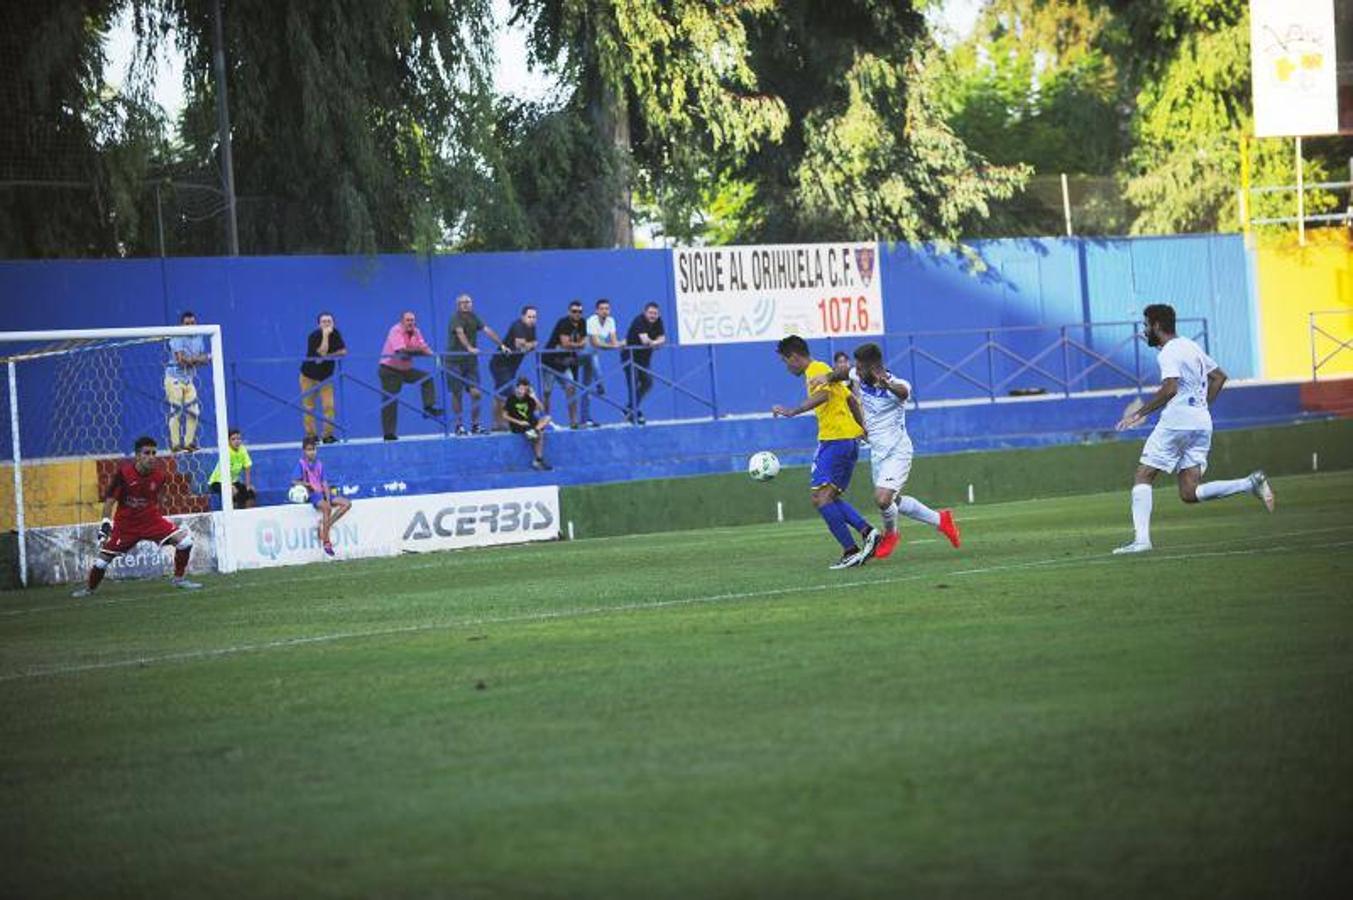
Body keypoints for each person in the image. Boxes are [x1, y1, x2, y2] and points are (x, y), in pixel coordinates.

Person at [1112, 303, 1275, 554]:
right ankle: (1249, 483)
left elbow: (1170, 389)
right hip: (1201, 423)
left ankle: (1142, 541)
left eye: (1146, 325)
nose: (1144, 330)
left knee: (1144, 475)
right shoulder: (1191, 346)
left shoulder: (1167, 352)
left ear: (1156, 325)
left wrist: (1139, 413)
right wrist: (1201, 406)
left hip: (1177, 422)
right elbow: (1219, 377)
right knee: (1189, 492)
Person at [809, 342, 960, 559]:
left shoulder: (894, 384)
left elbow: (904, 392)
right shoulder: (859, 375)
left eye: (861, 367)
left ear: (873, 368)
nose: (856, 371)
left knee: (882, 499)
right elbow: (845, 373)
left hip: (898, 451)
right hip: (878, 452)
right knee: (892, 501)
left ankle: (891, 535)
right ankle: (941, 520)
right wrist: (828, 377)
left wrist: (887, 385)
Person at [771, 334, 881, 569]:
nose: (786, 367)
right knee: (826, 498)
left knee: (820, 498)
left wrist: (793, 411)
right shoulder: (824, 369)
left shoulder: (814, 370)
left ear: (794, 357)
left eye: (785, 361)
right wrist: (862, 428)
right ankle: (868, 533)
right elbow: (850, 399)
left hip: (836, 440)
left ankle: (851, 550)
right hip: (844, 439)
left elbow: (824, 395)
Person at [71, 436, 202, 597]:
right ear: (138, 456)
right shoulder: (124, 474)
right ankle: (89, 589)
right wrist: (106, 523)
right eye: (147, 453)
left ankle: (179, 579)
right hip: (126, 525)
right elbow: (110, 501)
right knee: (102, 561)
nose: (151, 457)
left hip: (151, 521)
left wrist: (183, 449)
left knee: (185, 542)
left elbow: (154, 496)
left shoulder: (159, 476)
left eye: (154, 453)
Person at [445, 293, 507, 436]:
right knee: (457, 393)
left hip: (470, 363)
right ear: (458, 305)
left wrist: (502, 345)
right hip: (454, 362)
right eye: (463, 302)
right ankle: (459, 425)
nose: (466, 304)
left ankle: (475, 425)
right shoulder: (455, 318)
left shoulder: (474, 317)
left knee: (476, 394)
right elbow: (460, 334)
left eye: (469, 302)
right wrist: (469, 348)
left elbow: (487, 330)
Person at [378, 310, 443, 441]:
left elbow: (424, 347)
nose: (410, 323)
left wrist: (435, 356)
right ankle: (389, 433)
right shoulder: (395, 330)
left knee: (426, 378)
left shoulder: (416, 331)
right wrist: (420, 351)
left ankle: (428, 407)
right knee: (390, 400)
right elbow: (401, 351)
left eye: (412, 320)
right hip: (389, 369)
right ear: (402, 321)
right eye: (408, 320)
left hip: (405, 370)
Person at [293, 436, 352, 557]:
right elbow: (294, 481)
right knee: (327, 508)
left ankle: (326, 524)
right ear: (304, 451)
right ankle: (326, 541)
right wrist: (307, 484)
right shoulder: (301, 464)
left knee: (347, 504)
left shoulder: (319, 464)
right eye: (309, 449)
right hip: (313, 494)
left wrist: (327, 496)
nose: (311, 452)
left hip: (322, 492)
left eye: (313, 449)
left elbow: (324, 482)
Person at [165, 310, 210, 452]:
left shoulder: (199, 336)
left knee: (194, 411)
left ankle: (189, 442)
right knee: (176, 411)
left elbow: (204, 359)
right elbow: (181, 360)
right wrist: (197, 360)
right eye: (187, 324)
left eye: (192, 323)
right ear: (181, 325)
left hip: (188, 379)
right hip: (174, 378)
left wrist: (193, 360)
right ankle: (175, 444)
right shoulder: (177, 336)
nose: (190, 326)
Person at [299, 311, 347, 443]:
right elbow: (321, 352)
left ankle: (327, 435)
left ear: (333, 323)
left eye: (329, 321)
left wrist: (327, 357)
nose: (327, 324)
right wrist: (325, 336)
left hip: (325, 376)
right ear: (318, 324)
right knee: (308, 406)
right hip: (308, 375)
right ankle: (311, 435)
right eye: (324, 322)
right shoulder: (313, 336)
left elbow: (343, 351)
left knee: (329, 406)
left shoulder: (336, 334)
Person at [490, 305, 539, 429]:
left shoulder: (531, 328)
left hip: (512, 366)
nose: (532, 319)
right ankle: (506, 423)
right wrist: (530, 345)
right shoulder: (517, 325)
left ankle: (497, 424)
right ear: (523, 317)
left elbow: (534, 344)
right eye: (529, 316)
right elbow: (520, 346)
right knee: (507, 394)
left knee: (500, 395)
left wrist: (528, 345)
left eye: (534, 317)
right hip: (500, 363)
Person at [542, 300, 588, 429]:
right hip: (550, 361)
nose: (577, 314)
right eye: (574, 311)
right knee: (546, 392)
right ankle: (546, 422)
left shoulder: (582, 323)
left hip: (564, 363)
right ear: (569, 312)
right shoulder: (564, 323)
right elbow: (565, 344)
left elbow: (584, 341)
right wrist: (578, 345)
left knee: (571, 388)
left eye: (580, 312)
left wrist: (574, 345)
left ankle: (573, 421)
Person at [622, 302, 666, 425]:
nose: (653, 316)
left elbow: (663, 338)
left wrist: (655, 342)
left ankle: (629, 408)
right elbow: (645, 340)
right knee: (633, 383)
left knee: (648, 383)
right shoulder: (639, 321)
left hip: (644, 359)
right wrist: (656, 343)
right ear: (645, 312)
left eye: (655, 313)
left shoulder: (658, 321)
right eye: (651, 313)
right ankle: (634, 413)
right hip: (630, 357)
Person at [580, 298, 621, 427]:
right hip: (581, 354)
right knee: (594, 363)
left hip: (593, 355)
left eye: (607, 309)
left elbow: (614, 341)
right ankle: (600, 385)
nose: (605, 311)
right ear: (596, 311)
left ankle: (585, 419)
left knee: (585, 387)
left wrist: (616, 344)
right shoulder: (591, 320)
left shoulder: (611, 321)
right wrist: (613, 345)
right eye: (602, 309)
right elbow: (595, 343)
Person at [503, 377, 554, 471]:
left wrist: (534, 397)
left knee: (547, 418)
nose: (522, 391)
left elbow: (542, 409)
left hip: (531, 423)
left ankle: (535, 431)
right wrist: (519, 422)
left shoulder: (529, 398)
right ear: (516, 388)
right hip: (519, 425)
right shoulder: (511, 399)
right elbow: (505, 416)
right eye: (521, 388)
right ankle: (538, 460)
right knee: (540, 435)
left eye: (525, 389)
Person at [208, 427, 257, 509]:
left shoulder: (242, 449)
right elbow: (225, 471)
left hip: (233, 481)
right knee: (231, 492)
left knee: (251, 492)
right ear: (228, 441)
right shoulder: (226, 451)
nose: (237, 441)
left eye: (238, 438)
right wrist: (229, 485)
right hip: (218, 482)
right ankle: (232, 516)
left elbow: (247, 467)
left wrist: (248, 485)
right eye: (233, 439)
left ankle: (248, 514)